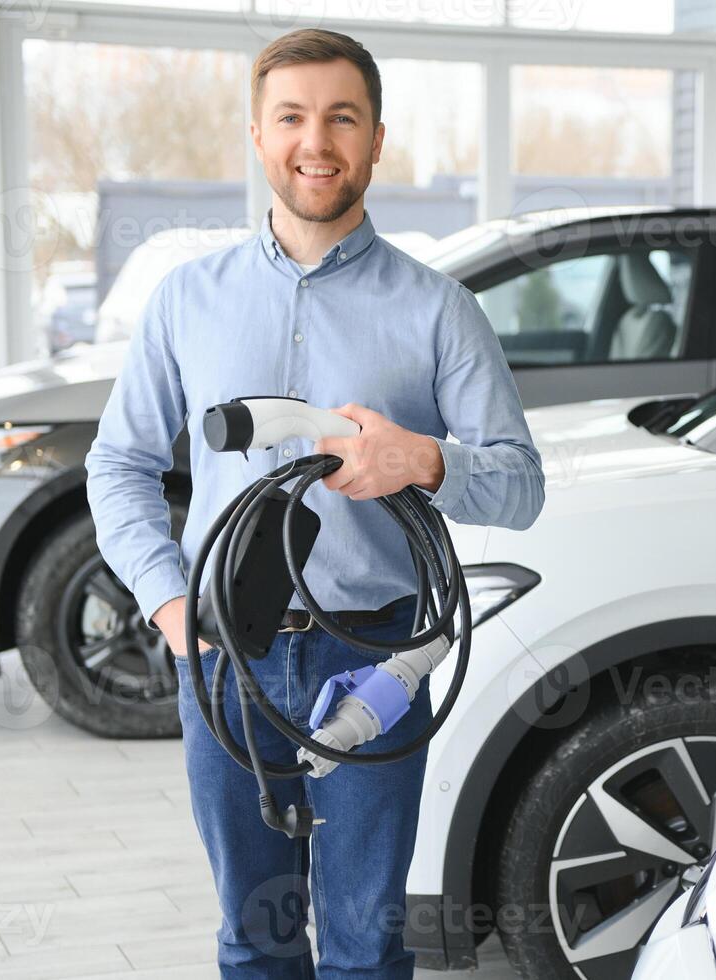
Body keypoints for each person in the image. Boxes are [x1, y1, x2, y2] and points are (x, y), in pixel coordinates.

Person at [84, 28, 545, 979]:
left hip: (375, 653)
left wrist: (420, 458)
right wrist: (173, 611)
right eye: (292, 117)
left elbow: (520, 484)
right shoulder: (185, 300)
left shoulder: (437, 309)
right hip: (222, 654)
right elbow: (118, 464)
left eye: (343, 117)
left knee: (366, 939)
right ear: (258, 135)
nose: (316, 141)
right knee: (253, 939)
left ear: (377, 139)